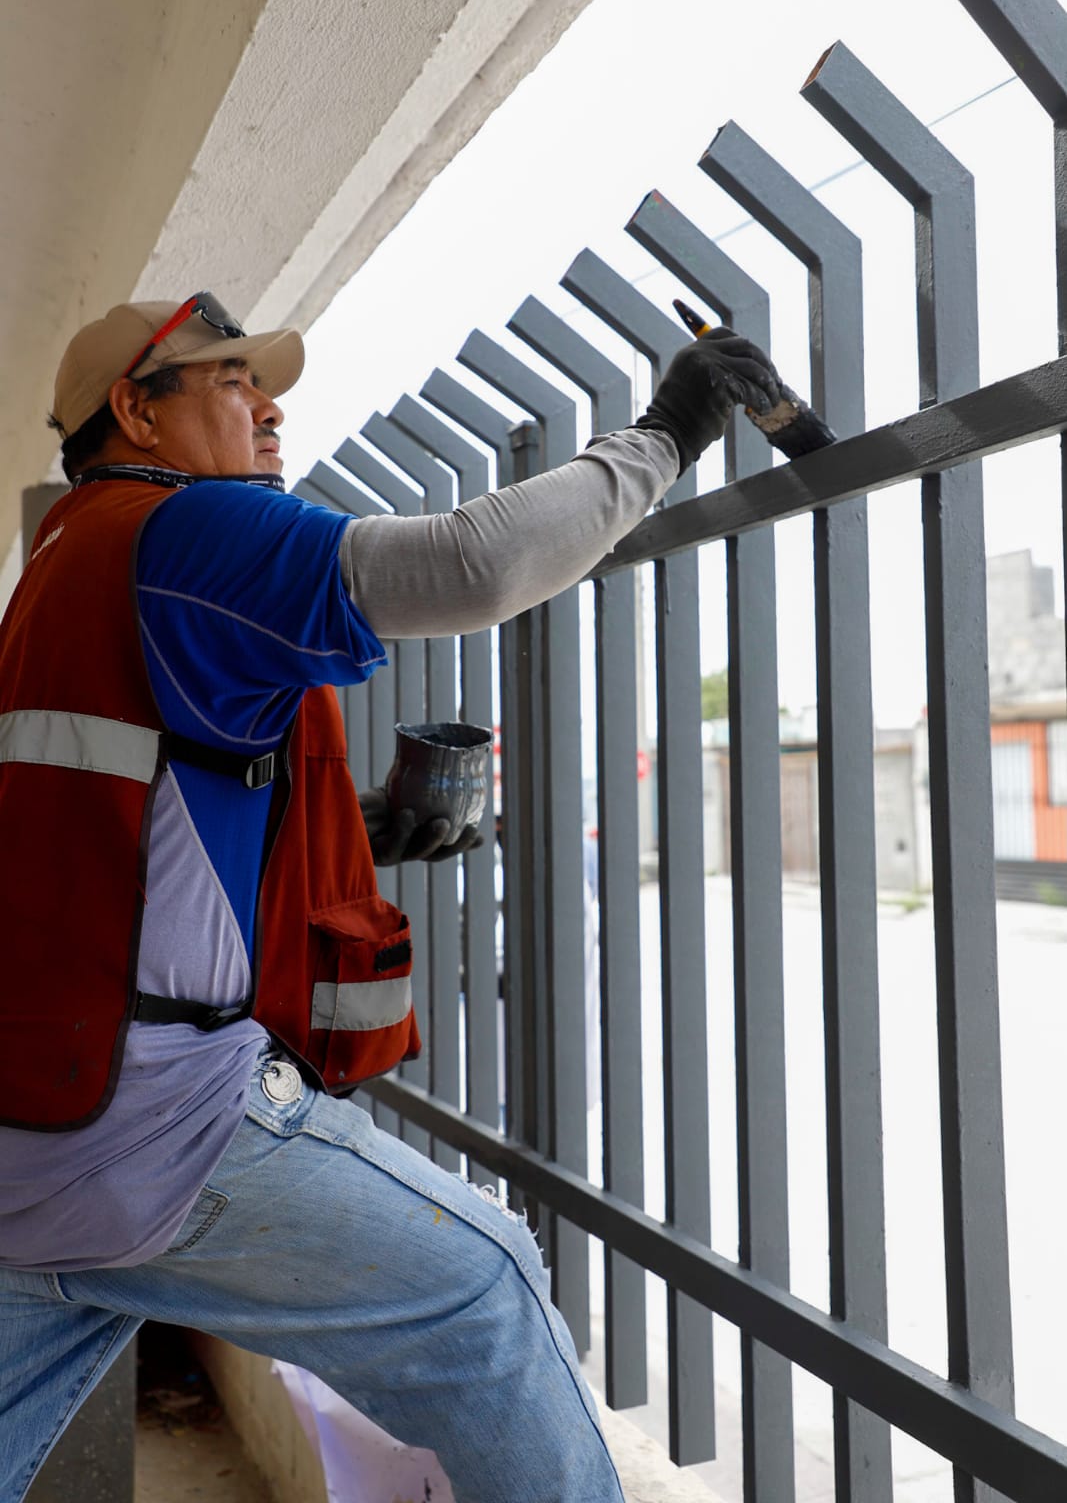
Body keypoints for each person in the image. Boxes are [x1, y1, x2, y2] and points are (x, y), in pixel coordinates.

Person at [0, 291, 780, 1502]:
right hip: (147, 1129)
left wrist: (350, 828)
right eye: (226, 380)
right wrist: (664, 432)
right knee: (485, 1284)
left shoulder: (58, 564)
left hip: (28, 1126)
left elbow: (112, 825)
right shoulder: (187, 529)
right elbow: (472, 560)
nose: (266, 406)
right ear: (133, 413)